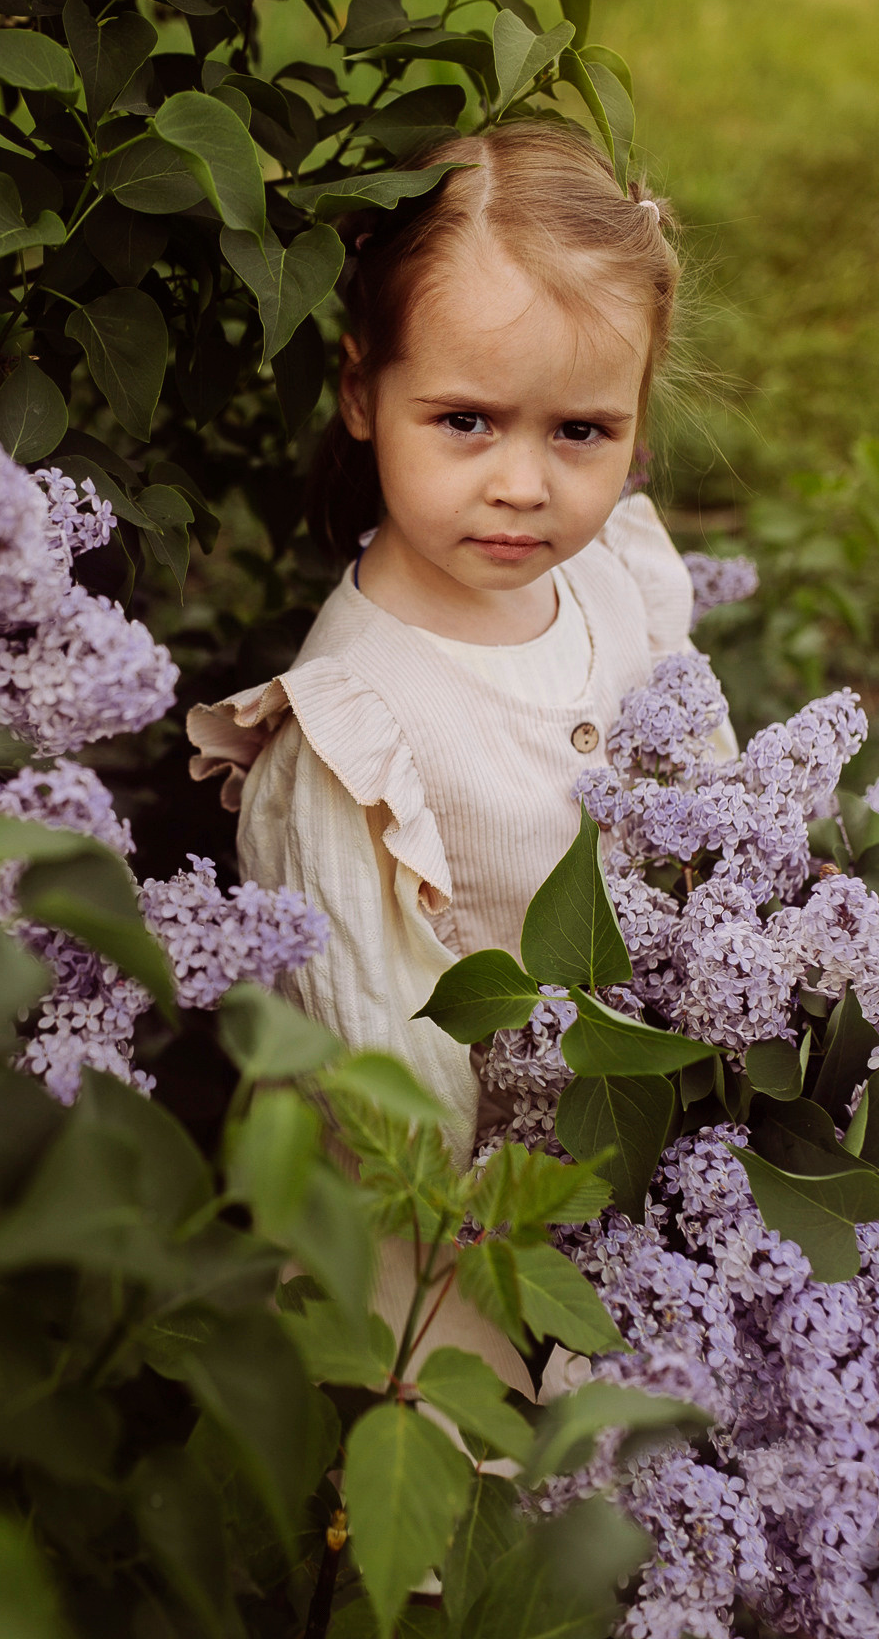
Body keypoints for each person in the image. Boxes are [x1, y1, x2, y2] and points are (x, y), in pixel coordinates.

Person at [188, 121, 717, 1400]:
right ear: (365, 391)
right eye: (467, 420)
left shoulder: (610, 578)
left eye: (580, 431)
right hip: (454, 1249)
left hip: (650, 1139)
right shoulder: (358, 732)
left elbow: (707, 778)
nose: (523, 485)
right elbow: (386, 1102)